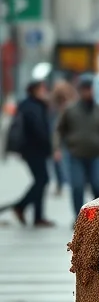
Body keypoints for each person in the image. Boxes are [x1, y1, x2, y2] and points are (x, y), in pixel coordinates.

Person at [1, 79, 55, 227]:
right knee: (42, 180)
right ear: (36, 90)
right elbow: (38, 130)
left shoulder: (32, 105)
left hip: (33, 149)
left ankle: (37, 216)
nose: (45, 91)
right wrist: (49, 146)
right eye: (42, 89)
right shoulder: (33, 106)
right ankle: (21, 206)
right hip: (34, 149)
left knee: (40, 180)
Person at [56, 74, 99, 217]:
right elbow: (60, 130)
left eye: (90, 89)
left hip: (96, 154)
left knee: (98, 186)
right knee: (77, 187)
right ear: (80, 91)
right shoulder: (70, 110)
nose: (88, 92)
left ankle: (98, 218)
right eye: (85, 89)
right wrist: (57, 149)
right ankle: (78, 217)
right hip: (76, 155)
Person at [49, 78, 76, 194]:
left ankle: (63, 181)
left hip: (67, 138)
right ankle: (63, 181)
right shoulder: (55, 108)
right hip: (63, 138)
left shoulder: (68, 107)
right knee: (60, 161)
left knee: (62, 161)